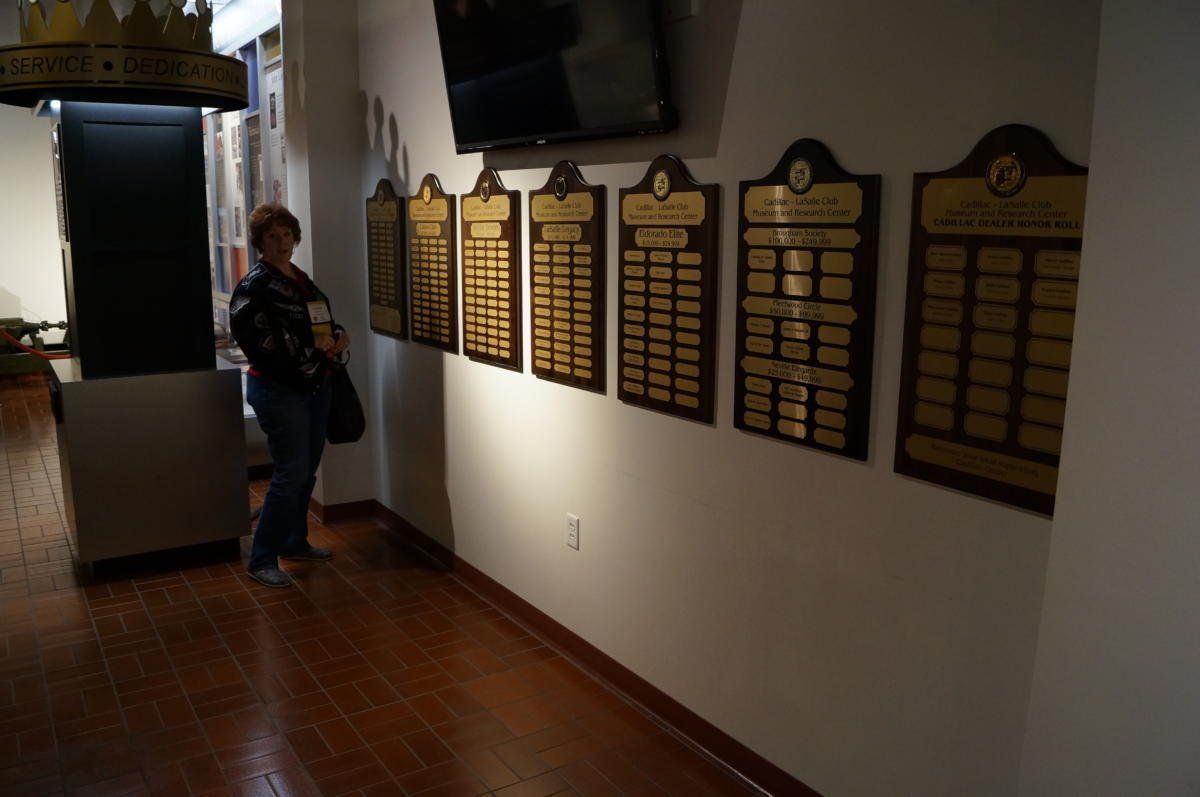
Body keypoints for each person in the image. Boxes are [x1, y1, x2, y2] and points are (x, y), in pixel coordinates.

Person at [230, 204, 350, 588]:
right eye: (273, 236)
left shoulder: (299, 278)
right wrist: (311, 347)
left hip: (315, 385)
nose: (282, 243)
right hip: (279, 389)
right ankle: (262, 557)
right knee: (291, 472)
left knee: (306, 469)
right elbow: (257, 343)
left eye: (287, 235)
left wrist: (337, 336)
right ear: (260, 242)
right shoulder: (254, 286)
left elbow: (319, 320)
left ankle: (294, 541)